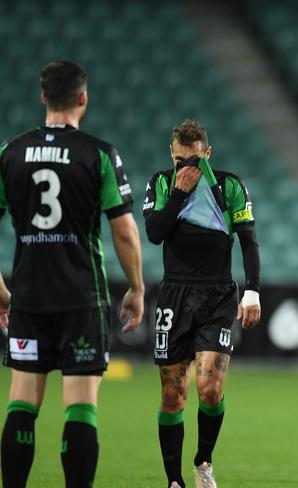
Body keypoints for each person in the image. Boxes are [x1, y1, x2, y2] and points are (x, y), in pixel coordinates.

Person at [0, 60, 144, 488]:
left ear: (42, 97)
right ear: (84, 98)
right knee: (81, 404)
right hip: (82, 297)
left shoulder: (10, 152)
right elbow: (123, 229)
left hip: (27, 296)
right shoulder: (97, 154)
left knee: (22, 401)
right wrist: (136, 287)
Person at [143, 119, 261, 488]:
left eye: (194, 161)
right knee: (173, 393)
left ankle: (203, 461)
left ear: (207, 154)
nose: (187, 169)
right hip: (174, 296)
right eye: (180, 161)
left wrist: (253, 290)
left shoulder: (229, 186)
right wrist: (178, 193)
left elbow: (249, 240)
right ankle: (174, 480)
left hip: (216, 296)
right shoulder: (161, 184)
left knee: (209, 386)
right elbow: (154, 233)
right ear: (171, 155)